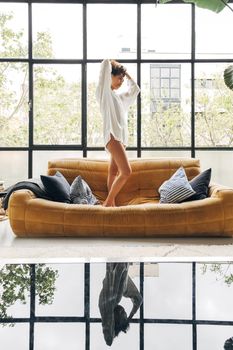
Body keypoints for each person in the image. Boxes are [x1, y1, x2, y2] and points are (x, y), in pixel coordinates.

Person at [96, 59, 140, 207]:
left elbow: (135, 90)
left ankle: (111, 205)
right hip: (112, 136)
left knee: (113, 173)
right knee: (126, 172)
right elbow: (105, 65)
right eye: (119, 78)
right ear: (110, 76)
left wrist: (125, 73)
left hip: (120, 139)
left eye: (122, 78)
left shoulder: (119, 98)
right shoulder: (105, 94)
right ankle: (108, 203)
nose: (121, 81)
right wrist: (113, 63)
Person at [98, 263, 143, 346]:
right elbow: (139, 300)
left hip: (117, 261)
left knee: (117, 297)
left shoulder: (108, 304)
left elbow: (109, 340)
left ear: (114, 321)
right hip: (122, 262)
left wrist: (117, 330)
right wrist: (129, 317)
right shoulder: (122, 291)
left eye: (122, 315)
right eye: (125, 313)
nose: (123, 310)